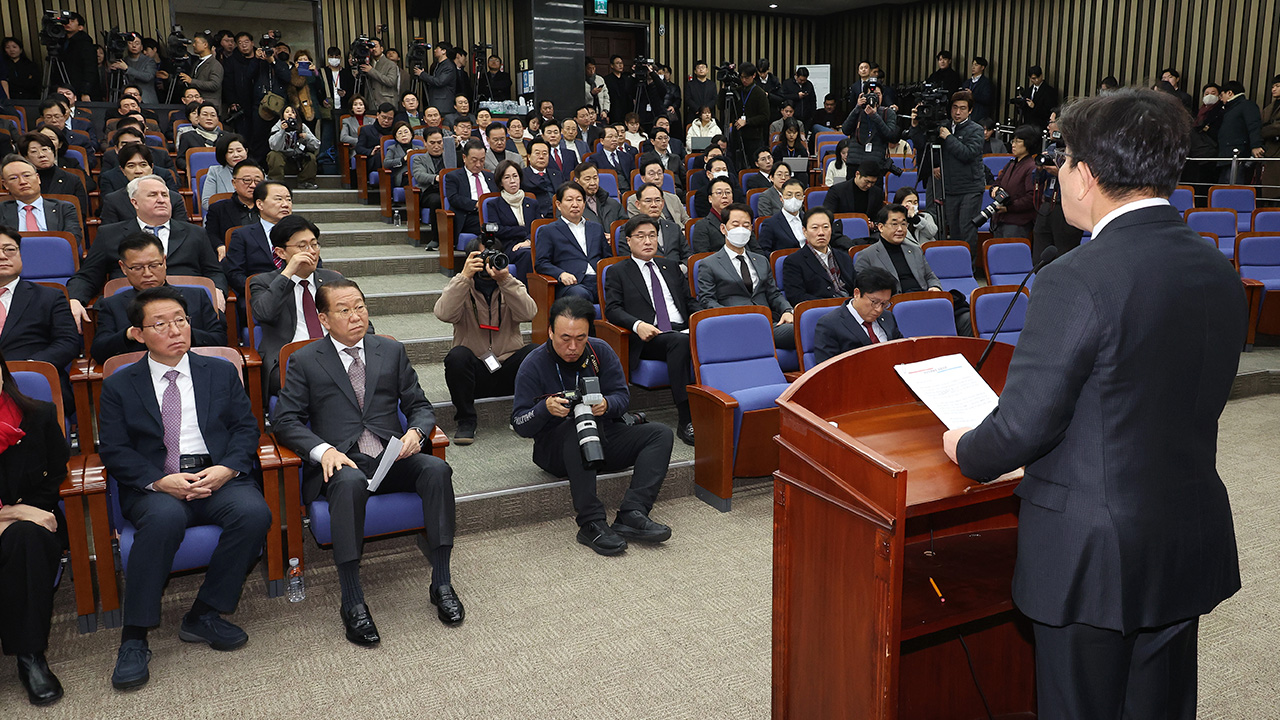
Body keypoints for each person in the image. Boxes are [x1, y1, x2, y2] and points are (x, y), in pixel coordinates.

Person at [941, 87, 1246, 720]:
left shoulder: (1075, 278)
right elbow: (1144, 395)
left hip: (1090, 551)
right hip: (1183, 532)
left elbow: (1023, 424)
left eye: (1064, 159)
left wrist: (966, 447)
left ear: (1088, 173)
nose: (1058, 173)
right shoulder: (1218, 267)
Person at [98, 286, 271, 690]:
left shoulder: (220, 371)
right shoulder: (121, 385)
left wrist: (227, 468)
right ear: (138, 334)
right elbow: (115, 449)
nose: (176, 330)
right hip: (157, 483)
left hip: (215, 474)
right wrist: (159, 480)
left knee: (254, 513)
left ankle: (205, 613)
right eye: (161, 324)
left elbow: (246, 429)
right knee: (163, 520)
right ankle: (135, 637)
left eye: (181, 320)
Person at [272, 278, 463, 642]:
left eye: (359, 306)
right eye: (343, 310)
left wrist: (417, 433)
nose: (355, 316)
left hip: (391, 457)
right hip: (343, 462)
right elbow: (284, 421)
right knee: (348, 482)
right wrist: (323, 450)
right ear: (324, 319)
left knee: (437, 469)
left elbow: (419, 405)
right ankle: (352, 599)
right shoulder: (304, 359)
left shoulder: (389, 351)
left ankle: (441, 582)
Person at [513, 295, 673, 554]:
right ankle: (591, 522)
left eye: (581, 338)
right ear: (551, 331)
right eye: (565, 338)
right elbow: (520, 422)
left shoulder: (600, 351)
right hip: (557, 447)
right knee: (578, 427)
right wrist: (544, 409)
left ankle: (633, 513)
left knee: (660, 434)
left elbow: (622, 397)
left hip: (602, 437)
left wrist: (607, 405)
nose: (573, 347)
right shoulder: (534, 364)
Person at [0, 347, 71, 706]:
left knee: (25, 538)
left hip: (34, 522)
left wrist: (21, 515)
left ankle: (30, 657)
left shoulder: (38, 415)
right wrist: (11, 514)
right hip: (19, 516)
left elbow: (55, 476)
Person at [68, 175, 226, 330]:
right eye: (153, 195)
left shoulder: (195, 233)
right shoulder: (109, 234)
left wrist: (217, 290)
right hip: (130, 308)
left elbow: (214, 272)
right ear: (134, 202)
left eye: (165, 195)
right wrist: (75, 298)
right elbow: (87, 275)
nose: (161, 199)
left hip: (187, 306)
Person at [605, 216, 699, 444]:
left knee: (707, 336)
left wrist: (702, 320)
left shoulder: (669, 266)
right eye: (640, 236)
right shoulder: (618, 271)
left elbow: (689, 301)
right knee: (679, 342)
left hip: (682, 330)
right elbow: (612, 309)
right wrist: (638, 325)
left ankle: (719, 409)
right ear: (628, 241)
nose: (648, 241)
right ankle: (686, 418)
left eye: (652, 236)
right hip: (650, 336)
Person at [437, 237, 536, 445]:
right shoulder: (462, 287)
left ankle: (523, 413)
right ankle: (466, 420)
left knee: (534, 352)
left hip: (508, 369)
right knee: (457, 356)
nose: (487, 263)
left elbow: (530, 313)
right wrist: (464, 277)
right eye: (481, 258)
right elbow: (442, 313)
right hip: (476, 373)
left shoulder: (509, 284)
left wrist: (506, 280)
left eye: (492, 257)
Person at [248, 214, 344, 397]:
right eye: (302, 246)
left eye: (314, 244)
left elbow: (362, 323)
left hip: (337, 354)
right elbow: (264, 313)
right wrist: (289, 273)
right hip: (291, 361)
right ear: (281, 252)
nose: (312, 251)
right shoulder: (263, 282)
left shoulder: (334, 279)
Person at [90, 233, 224, 363]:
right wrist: (129, 334)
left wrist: (180, 330)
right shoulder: (112, 305)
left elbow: (220, 341)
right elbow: (99, 351)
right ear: (123, 268)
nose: (147, 273)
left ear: (164, 261)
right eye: (137, 268)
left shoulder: (197, 296)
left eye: (154, 265)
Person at [0, 225, 81, 405]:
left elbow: (68, 342)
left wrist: (30, 367)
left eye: (9, 250)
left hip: (32, 388)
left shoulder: (49, 297)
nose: (2, 256)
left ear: (21, 255)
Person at [696, 203, 794, 349]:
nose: (741, 229)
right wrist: (731, 317)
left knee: (804, 328)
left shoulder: (761, 261)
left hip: (766, 323)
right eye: (735, 225)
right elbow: (707, 300)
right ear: (723, 229)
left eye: (746, 225)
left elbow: (773, 294)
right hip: (733, 325)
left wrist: (787, 311)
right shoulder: (709, 264)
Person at [914, 90, 984, 261]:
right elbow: (923, 145)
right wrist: (916, 125)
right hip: (949, 188)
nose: (957, 112)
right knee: (952, 230)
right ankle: (953, 266)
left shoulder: (976, 130)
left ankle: (969, 269)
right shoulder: (943, 126)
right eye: (954, 108)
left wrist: (949, 137)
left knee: (966, 231)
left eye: (962, 108)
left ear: (970, 111)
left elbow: (967, 153)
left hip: (970, 188)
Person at [535, 182, 611, 301]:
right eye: (569, 200)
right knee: (580, 294)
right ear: (558, 205)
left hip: (599, 280)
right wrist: (561, 274)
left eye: (579, 200)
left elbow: (607, 258)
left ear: (584, 204)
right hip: (572, 284)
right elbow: (541, 263)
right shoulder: (548, 231)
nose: (575, 204)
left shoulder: (596, 228)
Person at [811, 266, 902, 363]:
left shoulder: (888, 317)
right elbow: (827, 371)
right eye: (874, 302)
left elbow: (902, 350)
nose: (879, 309)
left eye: (884, 304)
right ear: (857, 293)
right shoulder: (829, 324)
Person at [855, 203, 946, 296]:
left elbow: (930, 276)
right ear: (881, 227)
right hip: (892, 304)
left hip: (922, 298)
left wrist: (935, 287)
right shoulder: (867, 255)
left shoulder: (915, 250)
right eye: (894, 224)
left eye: (903, 224)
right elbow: (864, 289)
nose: (900, 229)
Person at [225, 181, 293, 296]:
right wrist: (259, 290)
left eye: (289, 200)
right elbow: (235, 274)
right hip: (257, 294)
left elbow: (315, 266)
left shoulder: (301, 233)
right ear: (260, 204)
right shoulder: (242, 235)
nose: (285, 204)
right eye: (278, 199)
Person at [1032, 110, 1084, 259]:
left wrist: (1061, 172)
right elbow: (1035, 180)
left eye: (1051, 122)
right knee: (1040, 254)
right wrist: (1040, 168)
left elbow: (1083, 179)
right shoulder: (1051, 148)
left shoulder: (1079, 150)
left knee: (1064, 253)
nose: (1048, 127)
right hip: (1047, 204)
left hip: (1066, 206)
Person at [0, 156, 83, 249]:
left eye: (26, 175)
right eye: (13, 178)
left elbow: (72, 240)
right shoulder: (2, 210)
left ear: (38, 178)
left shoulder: (63, 208)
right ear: (5, 184)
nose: (22, 182)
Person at [781, 206, 855, 306]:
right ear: (805, 231)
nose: (821, 233)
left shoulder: (843, 257)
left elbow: (856, 286)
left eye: (825, 227)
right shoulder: (793, 261)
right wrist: (831, 303)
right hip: (821, 310)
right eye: (815, 228)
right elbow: (796, 297)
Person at [98, 145, 189, 225]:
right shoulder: (113, 201)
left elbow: (183, 231)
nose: (138, 171)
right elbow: (110, 236)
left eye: (143, 165)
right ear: (123, 171)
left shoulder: (174, 199)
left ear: (152, 168)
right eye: (131, 166)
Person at [986, 125, 1041, 239]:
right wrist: (994, 189)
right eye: (1013, 141)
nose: (1013, 144)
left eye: (1018, 141)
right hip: (1000, 220)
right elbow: (997, 183)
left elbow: (1032, 198)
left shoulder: (1031, 167)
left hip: (1017, 223)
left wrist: (1008, 208)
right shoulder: (1011, 163)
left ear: (1028, 143)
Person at [487, 160, 537, 281]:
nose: (512, 181)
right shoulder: (493, 204)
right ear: (501, 182)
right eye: (507, 177)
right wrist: (522, 231)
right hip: (509, 246)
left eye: (515, 176)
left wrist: (529, 241)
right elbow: (496, 229)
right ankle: (525, 294)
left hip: (532, 244)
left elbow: (538, 227)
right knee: (526, 255)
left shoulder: (532, 202)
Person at [204, 160, 264, 260]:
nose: (253, 185)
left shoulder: (270, 207)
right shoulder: (218, 208)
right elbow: (210, 234)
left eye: (258, 181)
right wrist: (219, 246)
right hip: (231, 258)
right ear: (234, 183)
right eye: (247, 180)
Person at [409, 127, 457, 250]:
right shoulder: (419, 158)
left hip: (450, 189)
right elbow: (419, 175)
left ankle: (455, 238)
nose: (436, 146)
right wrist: (437, 177)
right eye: (432, 143)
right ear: (425, 143)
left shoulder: (451, 156)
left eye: (439, 142)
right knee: (437, 201)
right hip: (430, 191)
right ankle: (436, 238)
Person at [19, 133, 87, 218]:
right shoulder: (22, 182)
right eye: (34, 151)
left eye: (45, 149)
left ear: (53, 152)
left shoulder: (72, 180)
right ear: (26, 157)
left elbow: (81, 215)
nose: (41, 155)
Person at [629, 182, 691, 268]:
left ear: (662, 204)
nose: (654, 205)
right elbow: (628, 262)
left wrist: (680, 270)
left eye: (657, 200)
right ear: (638, 205)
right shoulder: (628, 230)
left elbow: (688, 256)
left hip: (679, 275)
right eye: (648, 201)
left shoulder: (674, 227)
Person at [444, 140, 496, 240]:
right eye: (474, 160)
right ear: (464, 158)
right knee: (488, 227)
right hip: (470, 216)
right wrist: (476, 204)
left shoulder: (490, 176)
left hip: (492, 214)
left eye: (482, 160)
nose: (478, 164)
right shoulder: (454, 177)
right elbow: (454, 198)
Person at [841, 85, 899, 173]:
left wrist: (875, 116)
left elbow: (890, 135)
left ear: (882, 95)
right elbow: (845, 130)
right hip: (855, 161)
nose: (874, 97)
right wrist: (857, 108)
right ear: (864, 96)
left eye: (877, 94)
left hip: (875, 162)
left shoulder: (887, 112)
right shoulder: (858, 111)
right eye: (870, 95)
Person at [1216, 80, 1265, 184]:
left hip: (1238, 154)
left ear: (1229, 93)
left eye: (1222, 95)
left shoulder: (1246, 105)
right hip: (1227, 155)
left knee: (1235, 187)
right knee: (1225, 187)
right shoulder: (1232, 108)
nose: (1221, 99)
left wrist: (1256, 145)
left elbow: (1254, 126)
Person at [692, 178, 754, 253]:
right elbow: (703, 255)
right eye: (719, 193)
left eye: (728, 192)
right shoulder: (702, 225)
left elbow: (756, 250)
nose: (724, 196)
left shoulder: (743, 222)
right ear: (710, 199)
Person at [624, 155, 689, 225]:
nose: (657, 177)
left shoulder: (674, 198)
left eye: (659, 173)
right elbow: (638, 225)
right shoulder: (634, 200)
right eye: (652, 174)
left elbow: (686, 220)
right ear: (643, 178)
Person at [266, 106, 320, 188]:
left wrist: (307, 137)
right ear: (283, 115)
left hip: (298, 161)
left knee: (311, 157)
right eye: (287, 112)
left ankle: (306, 182)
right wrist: (282, 131)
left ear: (296, 115)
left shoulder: (302, 127)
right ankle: (276, 181)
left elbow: (316, 145)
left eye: (293, 112)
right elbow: (273, 146)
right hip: (282, 161)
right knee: (273, 155)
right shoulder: (277, 127)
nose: (290, 114)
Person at [200, 134, 249, 216]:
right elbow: (206, 202)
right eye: (230, 152)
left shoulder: (256, 171)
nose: (236, 155)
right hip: (222, 216)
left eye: (239, 151)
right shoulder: (214, 172)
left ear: (246, 151)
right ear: (224, 154)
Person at [733, 62, 772, 161]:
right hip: (737, 135)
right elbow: (721, 106)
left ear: (754, 75)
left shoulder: (759, 93)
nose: (744, 80)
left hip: (754, 137)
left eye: (746, 77)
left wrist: (747, 122)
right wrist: (724, 88)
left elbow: (765, 116)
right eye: (741, 77)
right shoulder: (738, 91)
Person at [759, 178, 807, 254]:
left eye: (798, 195)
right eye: (789, 195)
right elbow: (764, 251)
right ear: (781, 198)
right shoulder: (770, 223)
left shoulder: (808, 219)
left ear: (803, 198)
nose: (793, 199)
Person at [60, 13, 100, 101]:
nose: (68, 23)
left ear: (80, 27)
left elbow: (90, 68)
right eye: (67, 21)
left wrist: (86, 91)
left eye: (72, 21)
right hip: (64, 86)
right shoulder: (61, 42)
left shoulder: (85, 44)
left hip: (80, 87)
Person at [178, 33, 223, 112]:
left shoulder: (215, 64)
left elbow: (214, 85)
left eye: (196, 42)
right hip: (197, 107)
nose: (193, 45)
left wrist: (192, 81)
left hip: (210, 107)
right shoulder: (197, 62)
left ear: (205, 44)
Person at [110, 32, 158, 105]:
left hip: (146, 100)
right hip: (127, 101)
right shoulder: (124, 61)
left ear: (141, 47)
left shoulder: (149, 61)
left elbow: (148, 77)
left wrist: (127, 69)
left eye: (137, 43)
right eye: (130, 43)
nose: (134, 45)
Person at [575, 161, 625, 228]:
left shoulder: (614, 204)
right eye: (587, 179)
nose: (593, 183)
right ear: (577, 181)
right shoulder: (571, 206)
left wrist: (613, 236)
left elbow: (626, 227)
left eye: (595, 178)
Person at [353, 103, 396, 172]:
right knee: (379, 156)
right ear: (378, 115)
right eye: (384, 117)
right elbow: (359, 148)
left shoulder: (395, 133)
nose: (386, 121)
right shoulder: (366, 130)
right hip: (374, 160)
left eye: (390, 119)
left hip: (393, 160)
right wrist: (371, 151)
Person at [414, 44, 456, 115]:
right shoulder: (439, 64)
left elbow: (439, 81)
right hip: (438, 102)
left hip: (443, 104)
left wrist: (422, 74)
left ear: (443, 51)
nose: (434, 50)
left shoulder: (448, 66)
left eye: (437, 49)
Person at [521, 139, 559, 218]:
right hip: (536, 216)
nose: (541, 157)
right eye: (537, 153)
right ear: (529, 156)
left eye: (545, 153)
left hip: (559, 214)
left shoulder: (557, 174)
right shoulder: (521, 175)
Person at [381, 121, 418, 188]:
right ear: (396, 137)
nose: (403, 135)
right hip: (403, 176)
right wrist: (403, 159)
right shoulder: (392, 148)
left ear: (411, 134)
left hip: (418, 174)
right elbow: (386, 163)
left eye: (406, 132)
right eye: (400, 133)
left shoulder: (419, 148)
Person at [1261, 75, 1280, 200]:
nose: (1273, 89)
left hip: (1275, 150)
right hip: (1270, 151)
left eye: (1277, 86)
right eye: (1273, 86)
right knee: (1270, 190)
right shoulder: (1270, 107)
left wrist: (1267, 128)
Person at [965, 57, 994, 121]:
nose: (973, 67)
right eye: (972, 65)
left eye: (976, 65)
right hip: (966, 114)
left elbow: (987, 99)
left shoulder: (986, 83)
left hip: (979, 115)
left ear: (982, 67)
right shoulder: (967, 82)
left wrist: (972, 95)